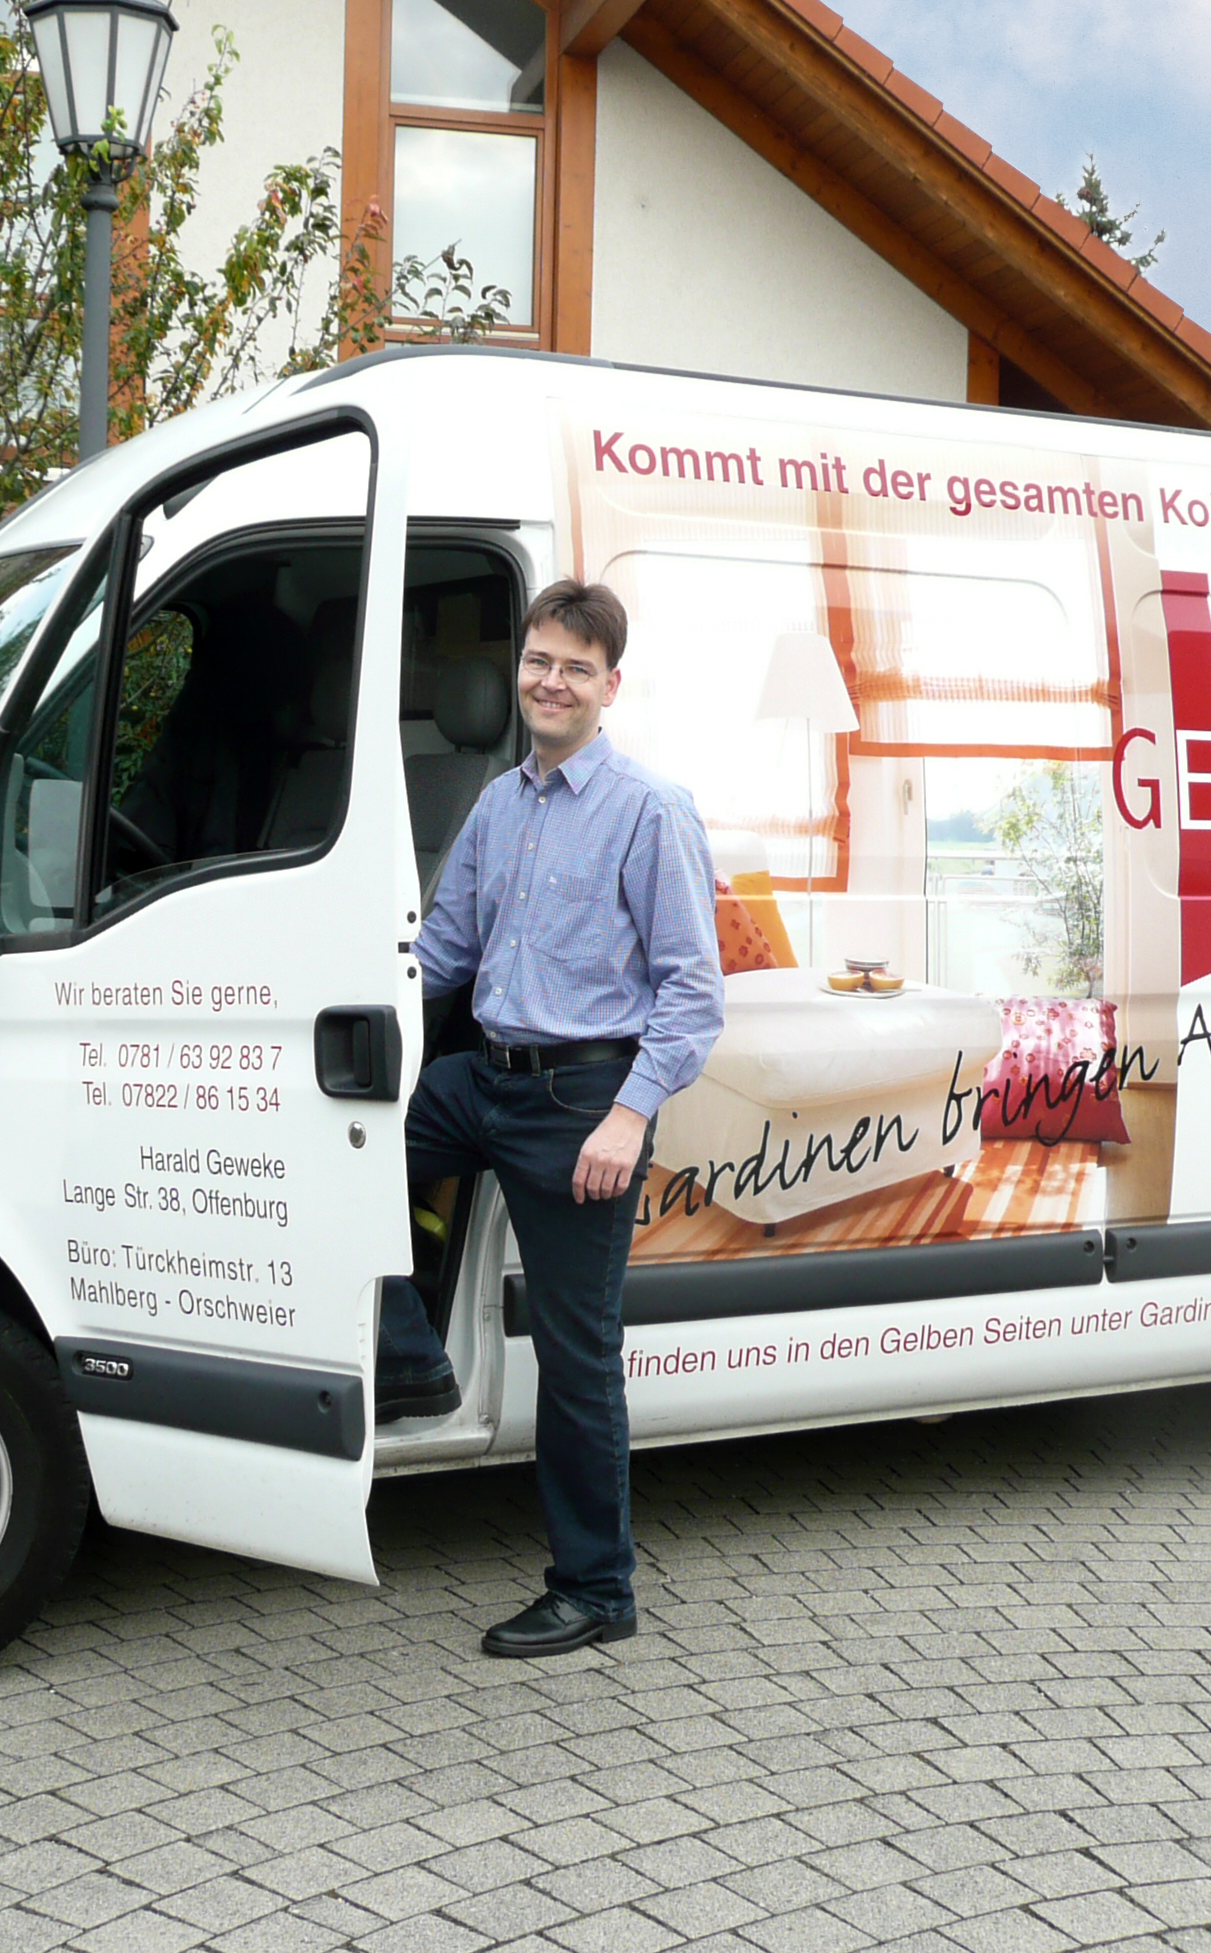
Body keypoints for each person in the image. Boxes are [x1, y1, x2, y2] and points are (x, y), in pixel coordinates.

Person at [377, 578, 724, 1658]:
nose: (552, 682)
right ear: (517, 672)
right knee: (338, 1149)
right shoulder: (498, 805)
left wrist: (627, 1120)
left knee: (578, 1358)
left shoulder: (649, 810)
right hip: (481, 1078)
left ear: (610, 686)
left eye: (577, 667)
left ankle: (596, 1589)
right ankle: (407, 1351)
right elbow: (441, 955)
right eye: (539, 662)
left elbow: (692, 995)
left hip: (580, 1105)